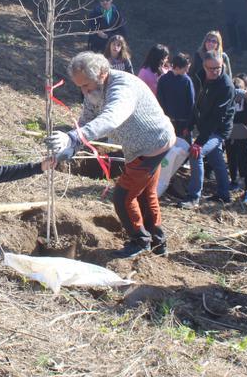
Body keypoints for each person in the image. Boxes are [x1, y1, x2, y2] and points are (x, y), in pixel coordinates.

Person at [47, 52, 176, 258]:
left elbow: (111, 118)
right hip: (145, 145)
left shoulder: (122, 87)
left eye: (86, 85)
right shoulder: (94, 91)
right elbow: (87, 119)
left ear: (102, 73)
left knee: (123, 197)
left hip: (151, 145)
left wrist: (72, 138)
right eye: (80, 86)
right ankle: (158, 241)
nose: (84, 90)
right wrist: (72, 146)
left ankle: (140, 240)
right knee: (145, 193)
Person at [181, 52, 233, 208]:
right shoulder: (199, 77)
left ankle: (193, 197)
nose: (215, 71)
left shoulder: (226, 86)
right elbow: (196, 104)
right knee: (216, 158)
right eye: (211, 68)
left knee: (196, 154)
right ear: (204, 66)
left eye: (218, 67)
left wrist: (199, 142)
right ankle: (224, 193)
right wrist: (189, 125)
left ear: (222, 64)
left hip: (218, 128)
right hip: (205, 125)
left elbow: (217, 118)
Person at [226, 76, 247, 192]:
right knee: (231, 156)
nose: (237, 94)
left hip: (244, 132)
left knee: (244, 157)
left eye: (239, 90)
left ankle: (245, 180)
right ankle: (234, 180)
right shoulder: (228, 98)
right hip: (230, 131)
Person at [157, 52, 196, 141]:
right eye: (185, 69)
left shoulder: (163, 79)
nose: (187, 71)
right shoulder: (185, 81)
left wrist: (189, 125)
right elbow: (160, 101)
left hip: (182, 123)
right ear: (177, 68)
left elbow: (191, 104)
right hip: (170, 122)